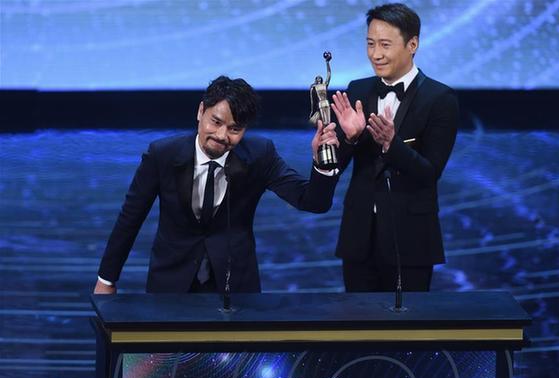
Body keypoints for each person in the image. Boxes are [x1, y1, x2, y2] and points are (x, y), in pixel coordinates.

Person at [94, 75, 338, 294]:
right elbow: (130, 218)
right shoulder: (163, 155)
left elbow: (312, 202)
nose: (222, 136)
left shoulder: (260, 155)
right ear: (201, 111)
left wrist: (322, 163)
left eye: (235, 129)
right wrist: (107, 279)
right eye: (216, 122)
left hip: (235, 288)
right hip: (170, 285)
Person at [330, 3, 459, 292]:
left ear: (412, 44)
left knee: (408, 319)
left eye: (385, 45)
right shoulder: (358, 90)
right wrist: (349, 138)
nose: (375, 54)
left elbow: (430, 172)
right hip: (358, 238)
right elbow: (336, 166)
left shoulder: (440, 99)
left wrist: (392, 145)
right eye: (370, 44)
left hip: (410, 240)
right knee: (357, 318)